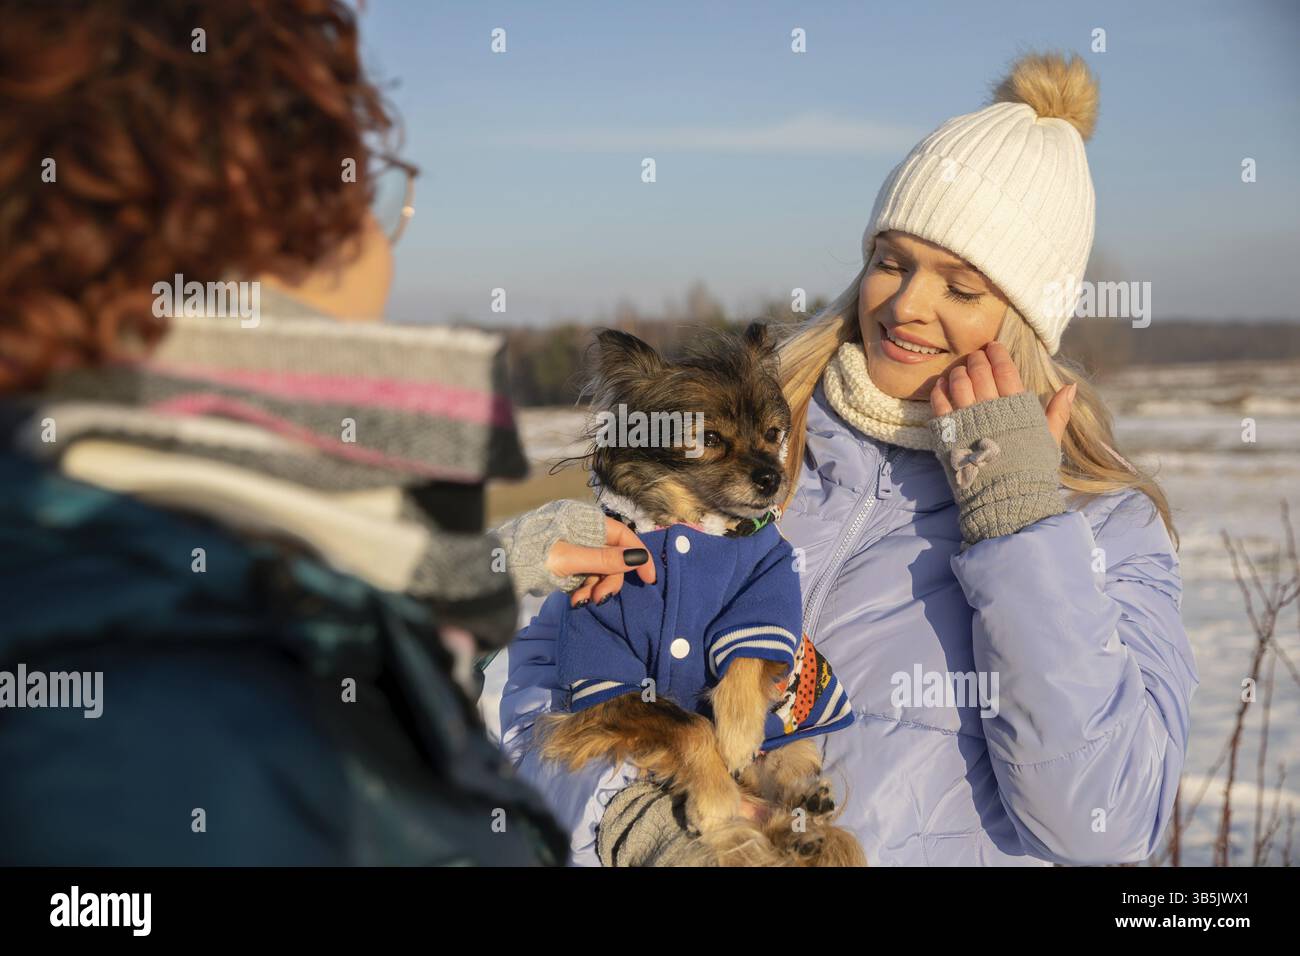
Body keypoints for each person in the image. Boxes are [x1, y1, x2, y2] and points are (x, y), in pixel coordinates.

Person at [484, 52, 1200, 866]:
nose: (905, 305)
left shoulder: (1100, 523)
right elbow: (539, 701)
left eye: (961, 288)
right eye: (891, 262)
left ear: (1028, 325)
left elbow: (1103, 823)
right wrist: (639, 825)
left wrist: (1021, 523)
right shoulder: (746, 441)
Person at [0, 0, 579, 865]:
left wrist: (504, 559)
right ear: (275, 211)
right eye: (372, 189)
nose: (389, 247)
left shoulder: (81, 561)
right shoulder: (197, 735)